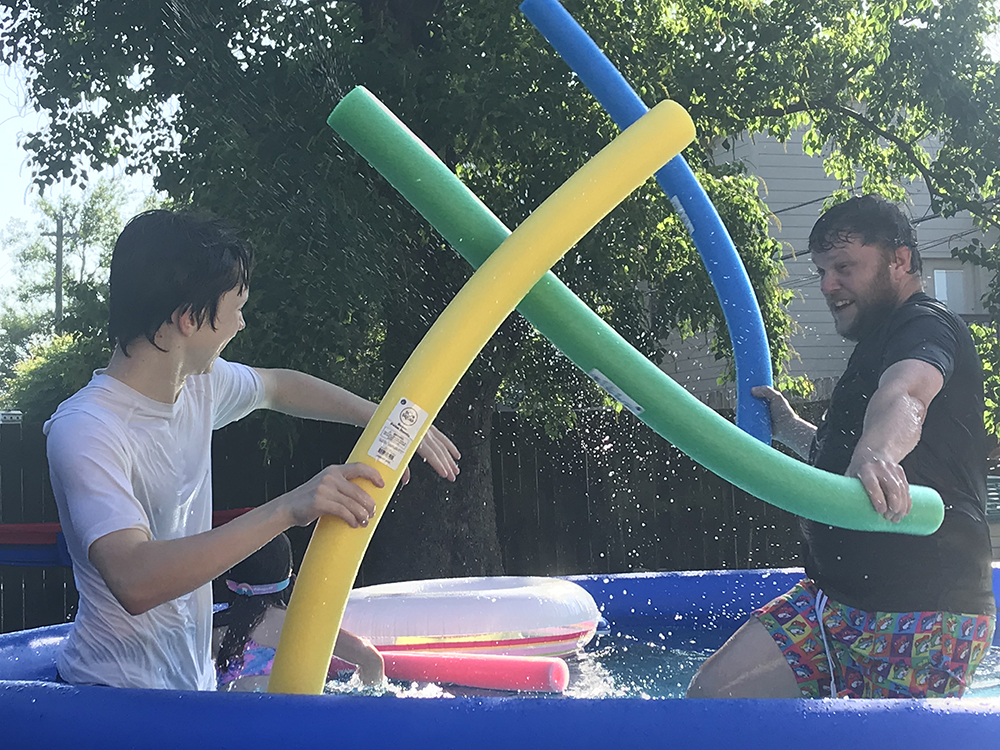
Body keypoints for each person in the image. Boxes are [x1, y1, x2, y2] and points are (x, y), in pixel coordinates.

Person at [44, 209, 461, 690]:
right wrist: (288, 507)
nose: (241, 324)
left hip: (191, 688)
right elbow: (134, 580)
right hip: (108, 703)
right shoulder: (88, 429)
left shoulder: (199, 385)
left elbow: (280, 387)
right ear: (188, 319)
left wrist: (386, 419)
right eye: (235, 306)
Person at [687, 195, 996, 699]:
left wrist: (879, 453)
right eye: (824, 270)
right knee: (713, 699)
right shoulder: (873, 346)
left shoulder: (926, 324)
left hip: (925, 612)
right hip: (832, 604)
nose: (829, 284)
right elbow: (844, 470)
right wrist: (790, 429)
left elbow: (907, 396)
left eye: (845, 267)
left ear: (899, 260)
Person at [213, 532, 383, 691]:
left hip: (228, 719)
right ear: (291, 580)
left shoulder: (212, 629)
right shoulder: (304, 626)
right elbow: (372, 660)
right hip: (295, 719)